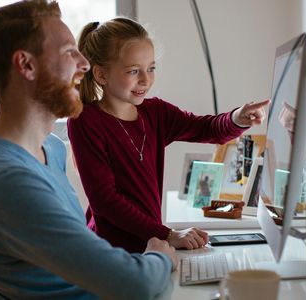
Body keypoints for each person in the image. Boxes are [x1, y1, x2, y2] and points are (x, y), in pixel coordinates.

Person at [0, 2, 176, 299]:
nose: (84, 65)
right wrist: (159, 255)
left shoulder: (49, 149)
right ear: (26, 65)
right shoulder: (9, 180)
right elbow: (136, 285)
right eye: (68, 52)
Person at [67, 18, 269, 253]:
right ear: (101, 75)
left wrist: (237, 118)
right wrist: (167, 234)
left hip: (150, 245)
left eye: (151, 68)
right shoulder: (85, 121)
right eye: (133, 71)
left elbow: (207, 128)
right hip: (111, 252)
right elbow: (105, 201)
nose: (146, 79)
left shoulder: (155, 113)